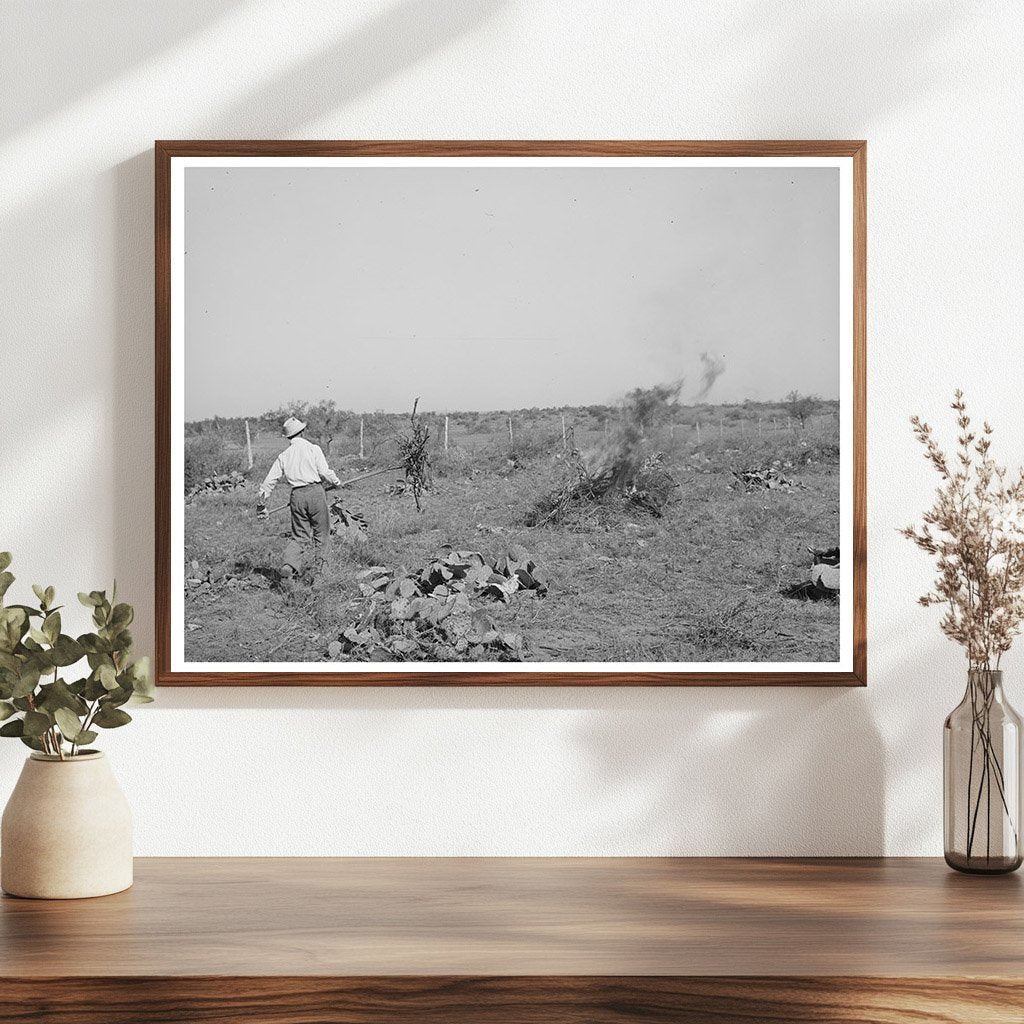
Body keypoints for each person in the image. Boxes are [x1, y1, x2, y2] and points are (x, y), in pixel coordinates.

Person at [256, 417, 342, 581]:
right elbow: (324, 472)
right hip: (316, 493)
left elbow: (269, 481)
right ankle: (322, 576)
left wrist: (261, 503)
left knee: (300, 536)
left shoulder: (284, 455)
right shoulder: (313, 448)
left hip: (296, 496)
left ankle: (289, 564)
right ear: (302, 432)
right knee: (321, 535)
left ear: (288, 437)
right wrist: (337, 482)